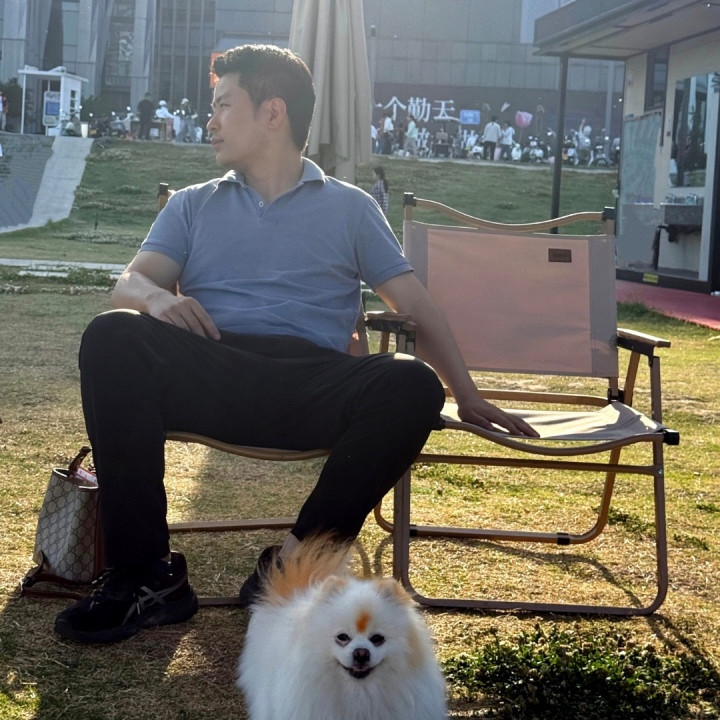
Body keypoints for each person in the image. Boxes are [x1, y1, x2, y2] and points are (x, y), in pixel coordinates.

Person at [53, 44, 536, 645]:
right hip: (215, 368)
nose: (209, 120)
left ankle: (292, 565)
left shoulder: (352, 208)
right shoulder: (192, 204)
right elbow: (129, 282)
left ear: (272, 113)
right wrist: (157, 299)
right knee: (112, 334)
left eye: (223, 105)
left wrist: (465, 393)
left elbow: (414, 305)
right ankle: (145, 576)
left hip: (310, 383)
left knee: (412, 382)